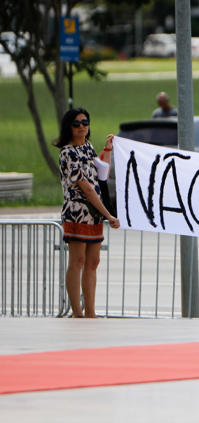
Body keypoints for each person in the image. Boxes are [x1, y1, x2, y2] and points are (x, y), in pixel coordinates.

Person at [54, 107, 120, 318]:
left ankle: (90, 310)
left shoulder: (88, 148)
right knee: (78, 260)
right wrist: (108, 214)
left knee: (93, 261)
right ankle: (77, 312)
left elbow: (101, 174)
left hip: (94, 212)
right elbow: (86, 188)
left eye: (85, 122)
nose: (82, 127)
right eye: (77, 123)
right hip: (78, 210)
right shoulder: (67, 152)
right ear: (69, 127)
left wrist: (107, 150)